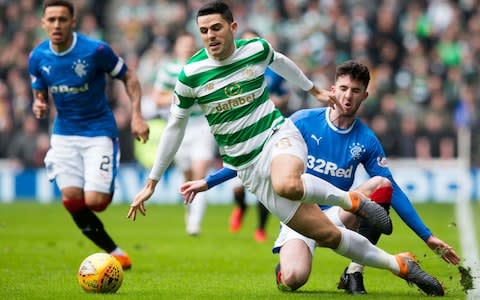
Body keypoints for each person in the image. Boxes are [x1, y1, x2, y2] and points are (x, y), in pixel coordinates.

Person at [128, 2, 443, 295]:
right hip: (250, 170)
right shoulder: (190, 76)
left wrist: (312, 89)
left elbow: (279, 62)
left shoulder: (255, 50)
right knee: (328, 240)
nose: (210, 36)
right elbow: (174, 128)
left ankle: (354, 202)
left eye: (216, 28)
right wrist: (153, 181)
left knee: (288, 183)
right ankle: (399, 265)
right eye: (204, 30)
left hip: (277, 136)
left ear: (232, 27)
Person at [180, 60, 460, 293]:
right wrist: (208, 181)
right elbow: (256, 155)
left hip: (340, 214)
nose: (348, 96)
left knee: (382, 185)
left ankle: (354, 272)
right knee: (294, 280)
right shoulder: (302, 121)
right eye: (344, 88)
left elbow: (394, 191)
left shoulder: (366, 140)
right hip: (299, 216)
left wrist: (428, 236)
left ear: (365, 95)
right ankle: (288, 265)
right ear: (332, 89)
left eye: (356, 91)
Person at [29, 0, 149, 270]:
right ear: (43, 23)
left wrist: (137, 115)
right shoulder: (37, 57)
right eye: (52, 20)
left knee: (96, 202)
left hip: (98, 131)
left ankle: (104, 184)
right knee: (71, 199)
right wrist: (39, 102)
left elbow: (129, 78)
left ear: (73, 21)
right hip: (64, 134)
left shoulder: (95, 51)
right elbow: (39, 88)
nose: (57, 25)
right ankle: (116, 252)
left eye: (62, 19)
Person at [151, 32, 216, 236]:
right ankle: (190, 209)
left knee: (200, 173)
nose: (187, 48)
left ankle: (194, 223)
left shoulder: (205, 66)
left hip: (203, 125)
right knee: (187, 175)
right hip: (181, 126)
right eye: (183, 45)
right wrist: (183, 95)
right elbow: (158, 99)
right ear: (177, 48)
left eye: (190, 45)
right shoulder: (168, 70)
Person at [228, 28, 290, 242]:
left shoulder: (272, 70)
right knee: (236, 186)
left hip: (266, 132)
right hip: (238, 135)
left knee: (265, 183)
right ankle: (241, 206)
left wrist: (267, 100)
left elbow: (284, 96)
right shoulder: (231, 71)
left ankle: (261, 228)